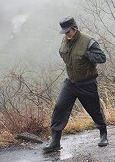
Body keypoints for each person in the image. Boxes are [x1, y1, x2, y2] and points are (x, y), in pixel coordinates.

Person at [43, 16, 108, 153]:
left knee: (94, 110)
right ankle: (55, 141)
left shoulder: (88, 41)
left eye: (68, 32)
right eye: (64, 33)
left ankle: (103, 134)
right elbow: (63, 54)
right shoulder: (66, 40)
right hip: (71, 83)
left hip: (87, 83)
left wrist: (89, 56)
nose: (66, 35)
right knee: (60, 107)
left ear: (75, 28)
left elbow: (102, 58)